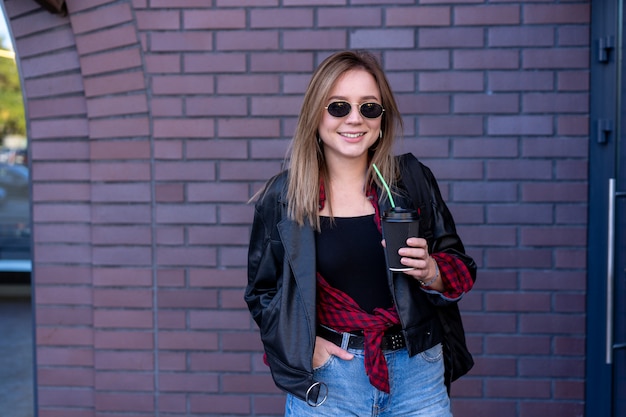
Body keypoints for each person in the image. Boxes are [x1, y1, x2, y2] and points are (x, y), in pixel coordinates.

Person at [245, 50, 477, 416]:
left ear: (382, 120)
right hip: (329, 379)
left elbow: (460, 268)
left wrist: (432, 271)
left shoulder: (410, 181)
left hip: (418, 374)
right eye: (339, 107)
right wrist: (305, 345)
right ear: (316, 115)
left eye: (369, 108)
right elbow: (263, 293)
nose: (355, 119)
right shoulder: (283, 197)